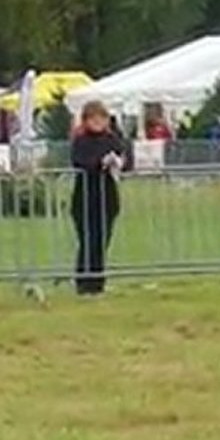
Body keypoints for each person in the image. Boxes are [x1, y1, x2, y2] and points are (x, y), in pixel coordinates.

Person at [70, 101, 129, 296]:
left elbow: (124, 158)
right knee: (87, 240)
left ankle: (98, 283)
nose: (98, 122)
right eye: (93, 118)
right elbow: (79, 161)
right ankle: (83, 283)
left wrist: (118, 162)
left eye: (102, 118)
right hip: (85, 197)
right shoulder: (80, 141)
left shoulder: (112, 139)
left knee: (102, 241)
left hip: (108, 196)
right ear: (86, 120)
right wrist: (99, 163)